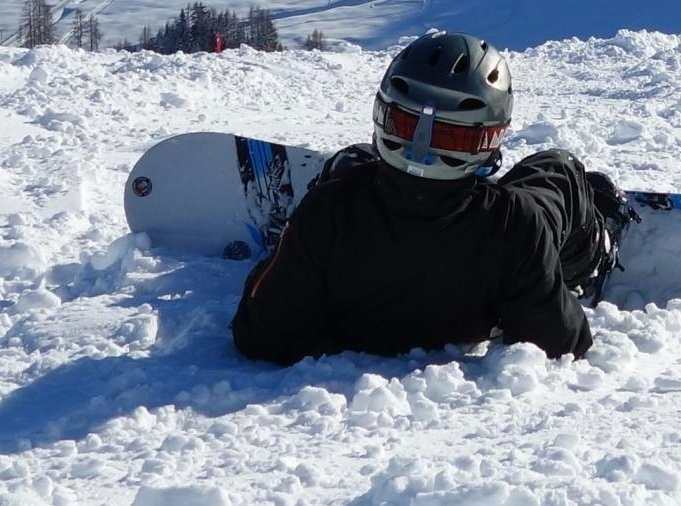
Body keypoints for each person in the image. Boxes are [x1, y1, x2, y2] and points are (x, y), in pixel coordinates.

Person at [232, 31, 618, 365]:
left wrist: (289, 255)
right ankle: (595, 247)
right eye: (408, 126)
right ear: (490, 137)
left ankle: (297, 239)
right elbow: (559, 344)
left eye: (449, 138)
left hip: (351, 215)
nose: (422, 148)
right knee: (555, 171)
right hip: (505, 237)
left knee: (351, 163)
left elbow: (262, 335)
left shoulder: (331, 208)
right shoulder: (515, 223)